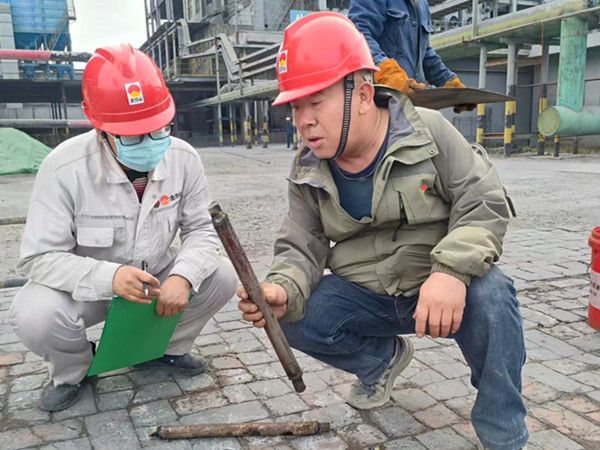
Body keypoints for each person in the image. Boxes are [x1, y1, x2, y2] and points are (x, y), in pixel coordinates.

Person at [238, 13, 528, 450]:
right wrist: (281, 288)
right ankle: (381, 361)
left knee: (493, 297)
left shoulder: (428, 133)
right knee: (291, 315)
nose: (304, 121)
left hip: (438, 290)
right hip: (367, 296)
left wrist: (451, 272)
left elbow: (483, 201)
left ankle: (504, 434)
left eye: (316, 102)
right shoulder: (308, 168)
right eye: (295, 107)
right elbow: (301, 243)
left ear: (362, 94)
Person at [9, 44, 237, 412]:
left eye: (158, 130)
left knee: (221, 277)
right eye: (131, 136)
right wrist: (110, 278)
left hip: (156, 279)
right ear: (100, 129)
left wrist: (184, 277)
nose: (149, 144)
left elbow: (201, 230)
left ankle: (163, 350)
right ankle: (75, 370)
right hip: (87, 290)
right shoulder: (63, 169)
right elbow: (39, 258)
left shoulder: (184, 158)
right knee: (34, 313)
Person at [349, 0, 475, 112]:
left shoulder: (421, 4)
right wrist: (387, 73)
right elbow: (358, 35)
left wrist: (449, 82)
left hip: (413, 108)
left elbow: (424, 52)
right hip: (380, 106)